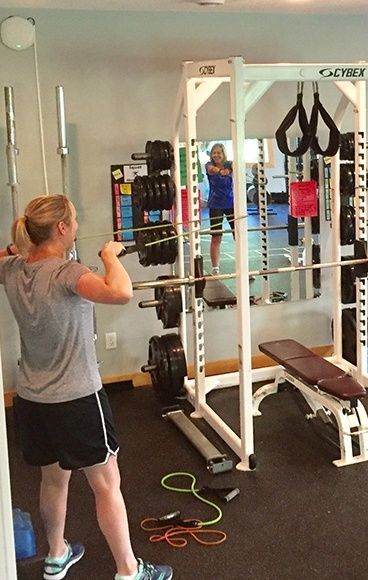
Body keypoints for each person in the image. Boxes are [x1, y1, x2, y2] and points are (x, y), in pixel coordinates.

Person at [0, 195, 173, 580]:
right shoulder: (66, 273)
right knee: (108, 483)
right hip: (77, 399)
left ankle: (57, 553)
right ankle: (129, 571)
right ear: (61, 228)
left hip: (31, 399)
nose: (77, 224)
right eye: (74, 220)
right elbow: (122, 292)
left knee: (52, 479)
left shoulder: (12, 269)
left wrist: (15, 246)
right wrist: (111, 255)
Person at [205, 143, 234, 275]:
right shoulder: (209, 165)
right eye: (214, 153)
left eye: (218, 153)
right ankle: (215, 268)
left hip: (231, 204)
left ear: (223, 154)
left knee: (238, 235)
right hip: (215, 204)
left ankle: (243, 267)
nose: (216, 155)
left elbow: (237, 168)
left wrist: (229, 171)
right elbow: (211, 170)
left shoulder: (230, 164)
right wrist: (219, 171)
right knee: (216, 237)